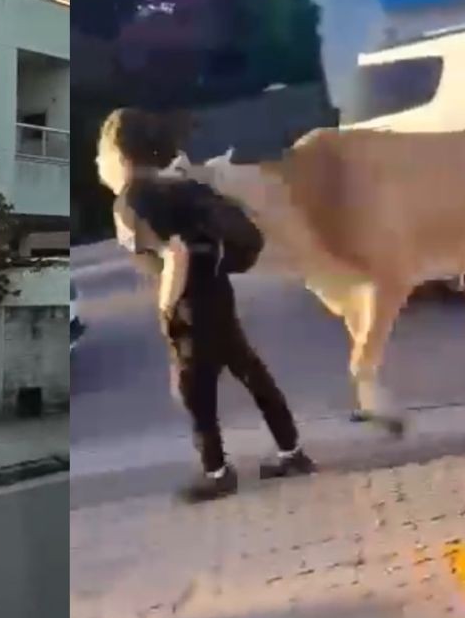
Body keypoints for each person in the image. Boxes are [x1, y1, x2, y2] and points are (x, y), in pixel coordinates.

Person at [97, 108, 316, 504]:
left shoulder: (133, 199)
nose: (99, 163)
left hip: (190, 301)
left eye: (101, 153)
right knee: (250, 371)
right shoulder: (175, 185)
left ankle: (217, 473)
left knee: (195, 391)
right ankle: (292, 451)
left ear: (118, 153)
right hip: (216, 288)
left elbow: (175, 252)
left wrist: (166, 310)